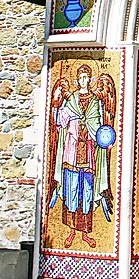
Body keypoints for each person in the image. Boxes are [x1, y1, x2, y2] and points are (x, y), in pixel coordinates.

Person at [54, 65, 111, 248]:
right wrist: (62, 113)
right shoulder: (71, 100)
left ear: (90, 80)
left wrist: (102, 137)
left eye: (87, 77)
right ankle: (71, 231)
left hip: (87, 153)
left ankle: (85, 233)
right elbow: (60, 121)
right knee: (71, 191)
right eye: (81, 77)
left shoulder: (94, 102)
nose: (84, 80)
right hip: (71, 154)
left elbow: (98, 126)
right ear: (77, 80)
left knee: (86, 192)